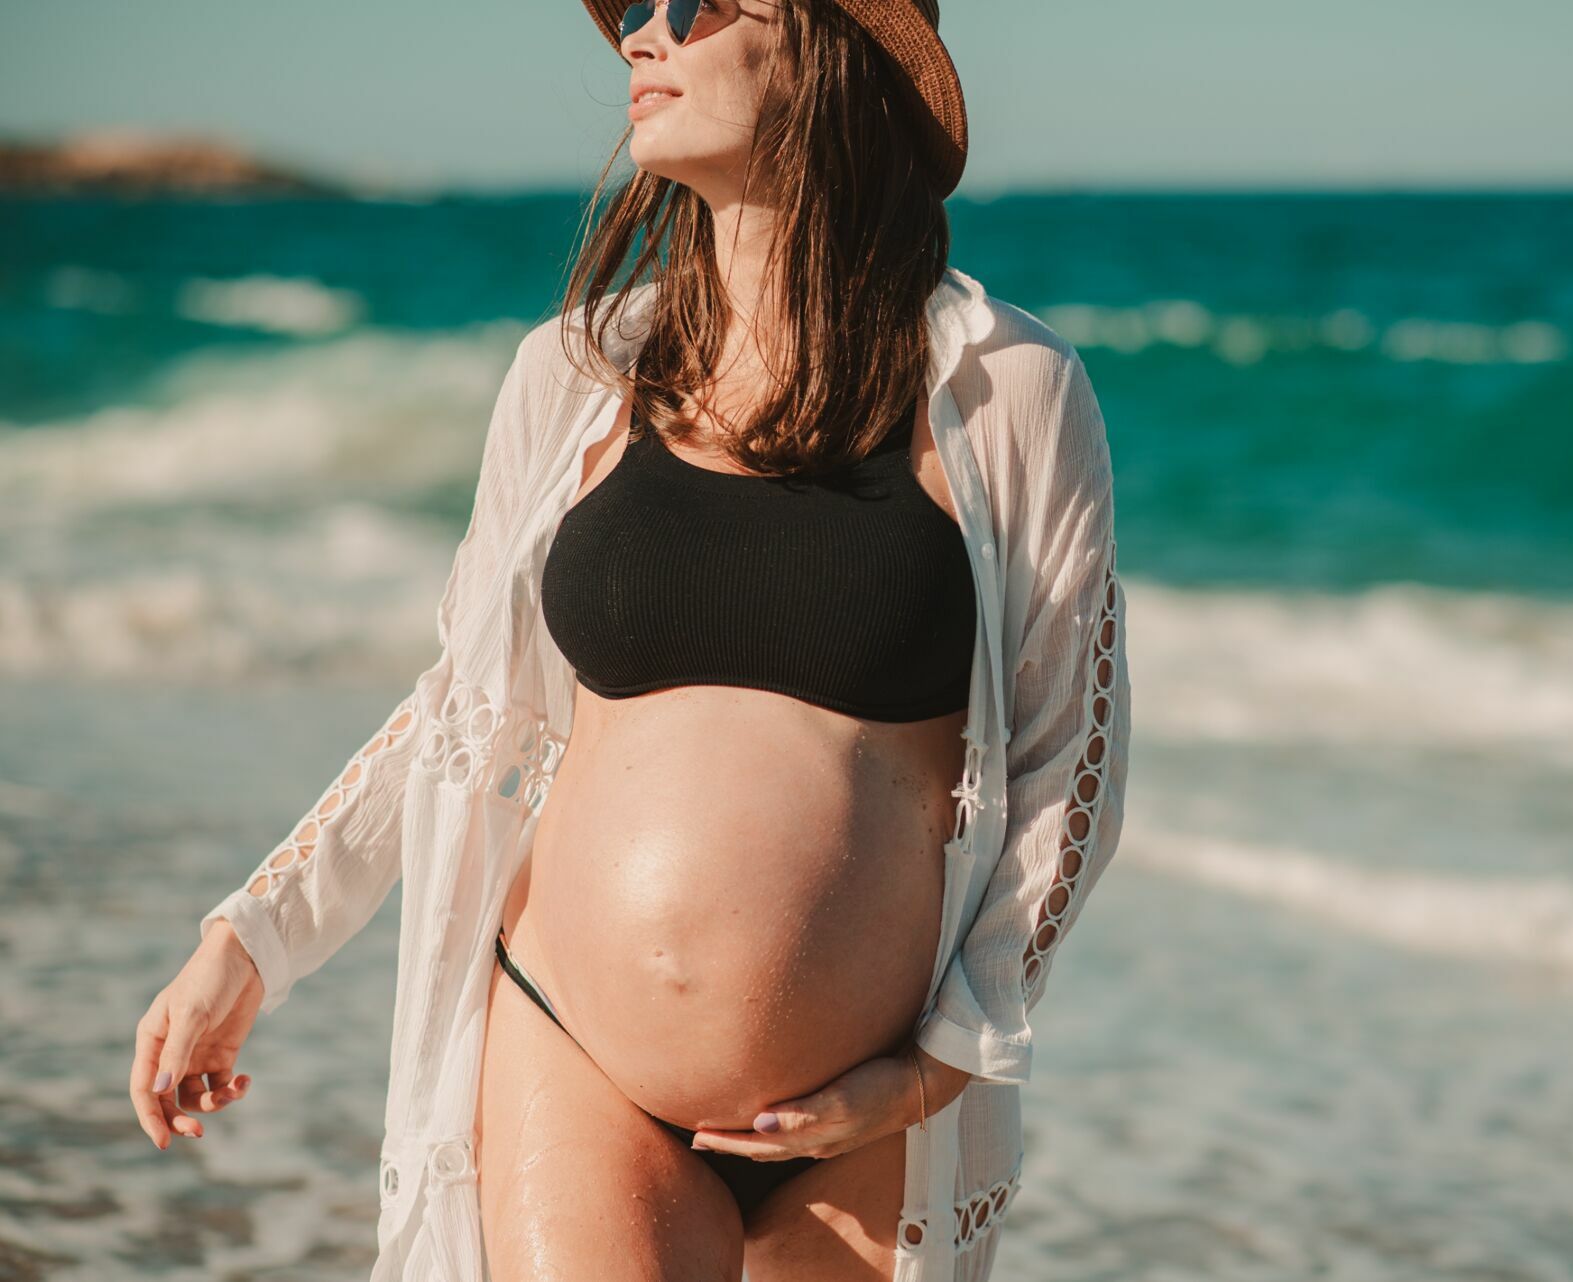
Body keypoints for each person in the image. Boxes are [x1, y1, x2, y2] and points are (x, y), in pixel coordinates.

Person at [128, 2, 1131, 1279]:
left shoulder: (1005, 389)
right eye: (636, 7)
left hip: (871, 1115)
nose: (643, 34)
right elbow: (461, 715)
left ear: (828, 50)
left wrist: (944, 1063)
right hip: (573, 1050)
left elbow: (1069, 771)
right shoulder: (577, 376)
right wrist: (248, 941)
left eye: (696, 1)